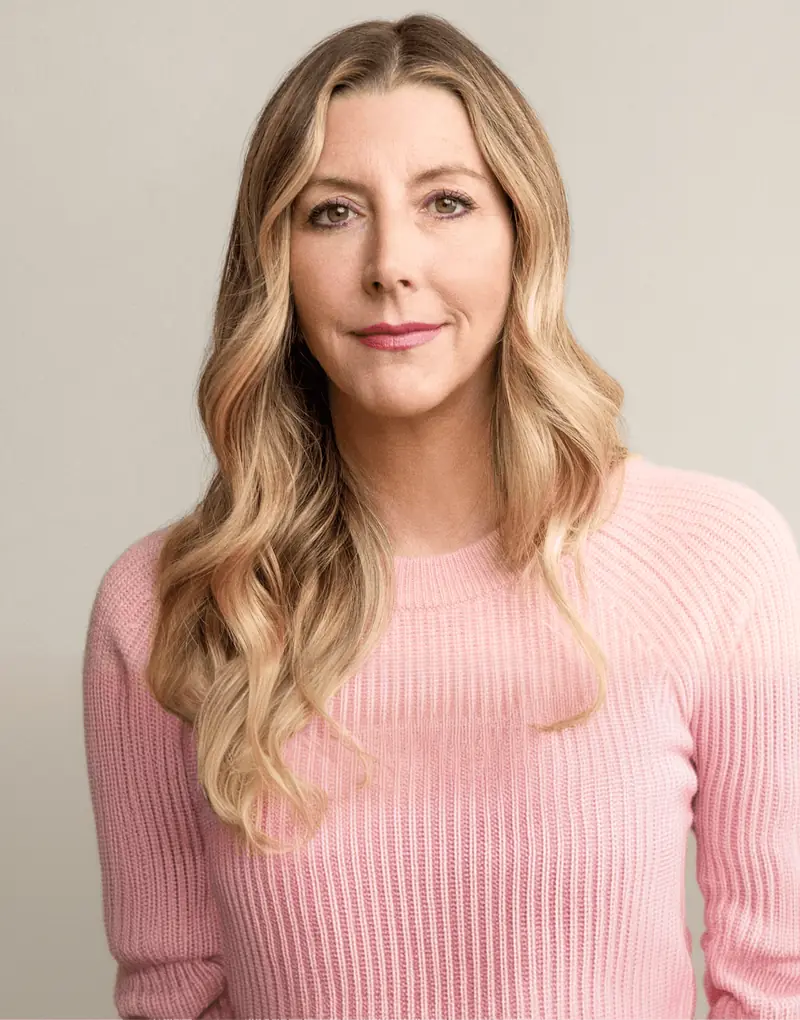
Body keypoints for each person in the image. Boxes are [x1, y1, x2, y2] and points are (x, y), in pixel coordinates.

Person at [81, 13, 800, 1020]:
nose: (390, 265)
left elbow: (775, 989)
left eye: (446, 203)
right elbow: (173, 998)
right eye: (331, 212)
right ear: (274, 261)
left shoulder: (718, 561)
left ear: (522, 234)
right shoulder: (171, 608)